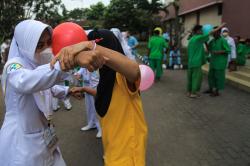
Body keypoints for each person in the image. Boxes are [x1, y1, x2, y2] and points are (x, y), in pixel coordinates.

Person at [0, 20, 102, 166]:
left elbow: (44, 89)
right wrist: (65, 63)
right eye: (40, 45)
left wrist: (68, 90)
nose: (47, 49)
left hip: (43, 135)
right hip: (21, 141)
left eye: (49, 43)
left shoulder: (35, 62)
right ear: (26, 45)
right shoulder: (14, 65)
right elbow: (25, 82)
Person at [52, 29, 148, 166]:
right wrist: (85, 89)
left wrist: (91, 46)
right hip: (113, 151)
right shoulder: (106, 76)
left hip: (128, 155)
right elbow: (109, 98)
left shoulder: (123, 74)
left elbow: (135, 71)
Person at [187, 24, 225, 98]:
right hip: (196, 62)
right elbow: (210, 33)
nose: (202, 31)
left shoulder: (192, 38)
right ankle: (193, 93)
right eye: (201, 30)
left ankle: (189, 91)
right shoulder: (199, 38)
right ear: (197, 31)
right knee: (196, 78)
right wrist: (220, 27)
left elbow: (206, 43)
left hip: (191, 62)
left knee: (190, 77)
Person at [75, 68, 102, 138]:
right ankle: (91, 123)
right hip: (86, 85)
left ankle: (101, 128)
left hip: (95, 86)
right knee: (89, 107)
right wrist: (79, 73)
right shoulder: (84, 61)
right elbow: (83, 67)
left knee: (96, 108)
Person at [206, 26, 231, 97]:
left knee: (218, 77)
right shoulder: (212, 41)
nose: (214, 34)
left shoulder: (223, 40)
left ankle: (216, 91)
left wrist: (219, 52)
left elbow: (228, 50)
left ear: (219, 32)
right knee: (210, 76)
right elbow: (209, 49)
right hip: (213, 62)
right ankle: (210, 89)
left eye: (215, 32)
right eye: (213, 32)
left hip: (220, 63)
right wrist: (205, 42)